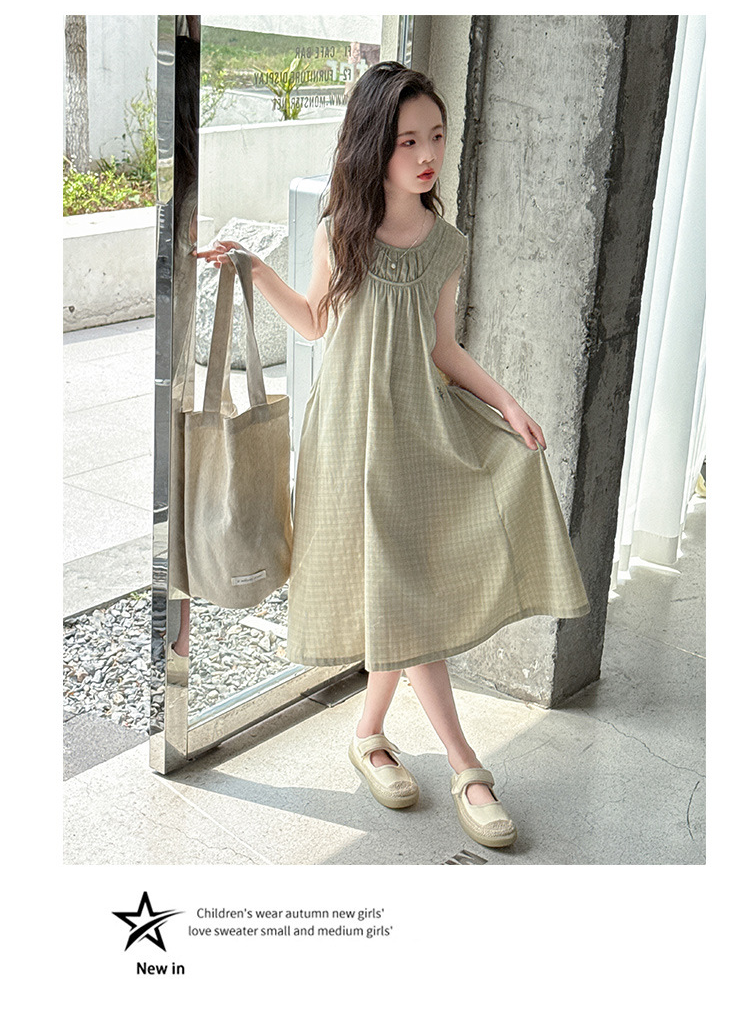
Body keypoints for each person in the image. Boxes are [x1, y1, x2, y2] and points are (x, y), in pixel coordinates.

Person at [196, 62, 590, 849]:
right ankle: (466, 766)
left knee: (400, 593)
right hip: (348, 439)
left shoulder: (446, 245)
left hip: (416, 435)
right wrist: (254, 267)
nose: (427, 154)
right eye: (408, 140)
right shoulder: (340, 233)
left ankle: (368, 733)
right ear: (375, 145)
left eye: (436, 136)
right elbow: (314, 322)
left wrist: (507, 404)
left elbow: (443, 348)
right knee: (399, 596)